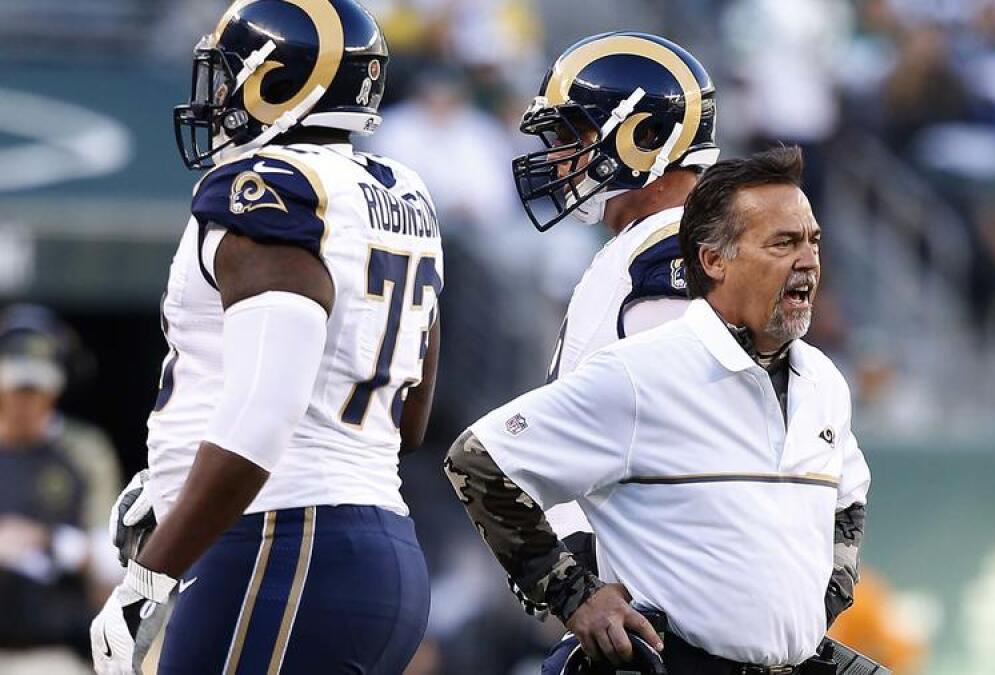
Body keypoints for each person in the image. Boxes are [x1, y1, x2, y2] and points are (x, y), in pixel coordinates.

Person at [89, 1, 443, 673]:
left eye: (228, 77)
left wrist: (149, 578)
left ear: (276, 83)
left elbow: (266, 414)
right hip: (382, 547)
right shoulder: (402, 191)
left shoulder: (269, 190)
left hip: (284, 540)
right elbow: (411, 414)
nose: (217, 96)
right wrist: (179, 480)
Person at [445, 147, 873, 674]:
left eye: (812, 241)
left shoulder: (824, 380)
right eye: (782, 243)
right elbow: (480, 460)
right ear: (713, 260)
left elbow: (849, 499)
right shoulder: (641, 372)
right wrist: (575, 596)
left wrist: (818, 605)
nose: (807, 259)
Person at [506, 28, 719, 624]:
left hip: (658, 597)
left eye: (571, 134)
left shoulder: (668, 249)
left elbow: (687, 436)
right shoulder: (655, 243)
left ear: (645, 135)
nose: (558, 155)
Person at [0, 307, 122, 675]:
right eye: (17, 388)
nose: (26, 401)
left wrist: (50, 543)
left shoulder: (83, 451)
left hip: (50, 651)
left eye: (37, 389)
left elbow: (115, 559)